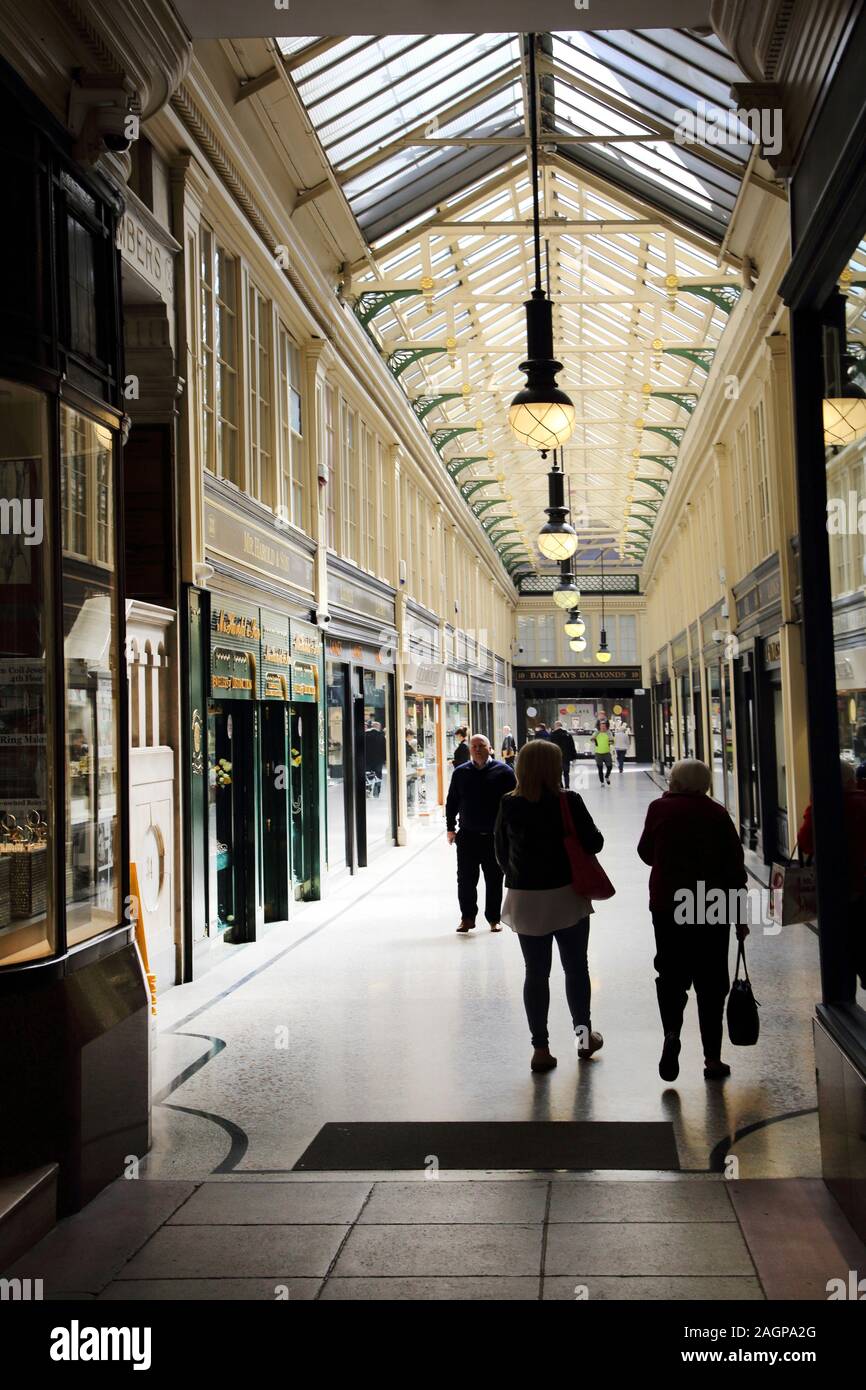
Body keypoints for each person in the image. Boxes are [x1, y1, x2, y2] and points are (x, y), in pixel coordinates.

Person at [495, 738, 605, 1072]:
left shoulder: (509, 803)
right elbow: (594, 842)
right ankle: (584, 1039)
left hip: (525, 898)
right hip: (566, 895)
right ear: (553, 767)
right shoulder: (568, 801)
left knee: (536, 972)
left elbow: (500, 850)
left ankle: (540, 1048)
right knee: (576, 968)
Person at [638, 758, 748, 1083]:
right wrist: (739, 916)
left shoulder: (659, 809)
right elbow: (735, 867)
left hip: (668, 904)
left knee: (670, 973)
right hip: (711, 903)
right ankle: (712, 1059)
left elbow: (645, 852)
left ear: (674, 781)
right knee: (711, 981)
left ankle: (672, 1033)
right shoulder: (717, 814)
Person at [798, 759, 866, 989]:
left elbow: (806, 842)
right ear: (851, 780)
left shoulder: (823, 806)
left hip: (836, 889)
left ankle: (844, 999)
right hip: (863, 887)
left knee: (841, 949)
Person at [446, 734, 516, 933]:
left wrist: (512, 831)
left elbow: (514, 803)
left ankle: (494, 919)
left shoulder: (504, 771)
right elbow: (452, 802)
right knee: (466, 879)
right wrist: (450, 828)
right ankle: (467, 917)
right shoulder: (461, 772)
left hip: (495, 837)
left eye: (481, 745)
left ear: (490, 748)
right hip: (467, 836)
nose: (477, 749)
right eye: (474, 746)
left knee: (494, 879)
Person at [549, 721, 578, 789]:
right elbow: (572, 746)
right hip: (566, 757)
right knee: (566, 772)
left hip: (556, 757)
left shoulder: (552, 735)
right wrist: (574, 757)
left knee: (558, 772)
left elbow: (550, 747)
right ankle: (567, 786)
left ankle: (560, 786)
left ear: (555, 726)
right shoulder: (567, 735)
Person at [365, 720, 386, 797]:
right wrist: (385, 759)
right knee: (378, 775)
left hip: (367, 759)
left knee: (368, 774)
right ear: (378, 727)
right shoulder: (381, 736)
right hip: (378, 760)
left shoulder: (365, 734)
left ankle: (367, 789)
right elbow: (384, 748)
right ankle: (376, 792)